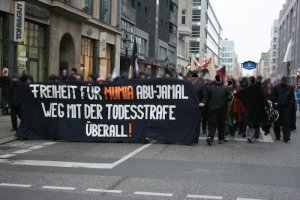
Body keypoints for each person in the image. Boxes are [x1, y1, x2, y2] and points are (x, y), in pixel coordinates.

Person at [206, 75, 232, 145]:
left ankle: (211, 137)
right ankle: (220, 138)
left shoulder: (210, 88)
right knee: (220, 124)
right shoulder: (225, 88)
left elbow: (207, 99)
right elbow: (230, 98)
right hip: (221, 109)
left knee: (213, 124)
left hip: (214, 109)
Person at [187, 71, 208, 144]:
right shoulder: (187, 83)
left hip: (197, 107)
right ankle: (188, 138)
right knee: (188, 123)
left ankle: (194, 139)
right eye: (192, 76)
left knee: (196, 123)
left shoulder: (201, 85)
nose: (193, 77)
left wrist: (203, 102)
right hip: (188, 106)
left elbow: (205, 95)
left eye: (194, 76)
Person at [273, 77, 295, 143]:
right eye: (284, 80)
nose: (285, 82)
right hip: (278, 108)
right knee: (277, 123)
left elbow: (292, 98)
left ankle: (286, 137)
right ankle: (277, 136)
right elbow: (274, 97)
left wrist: (289, 104)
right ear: (281, 81)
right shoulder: (276, 87)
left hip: (286, 108)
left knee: (286, 123)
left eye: (286, 81)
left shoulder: (290, 88)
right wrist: (275, 104)